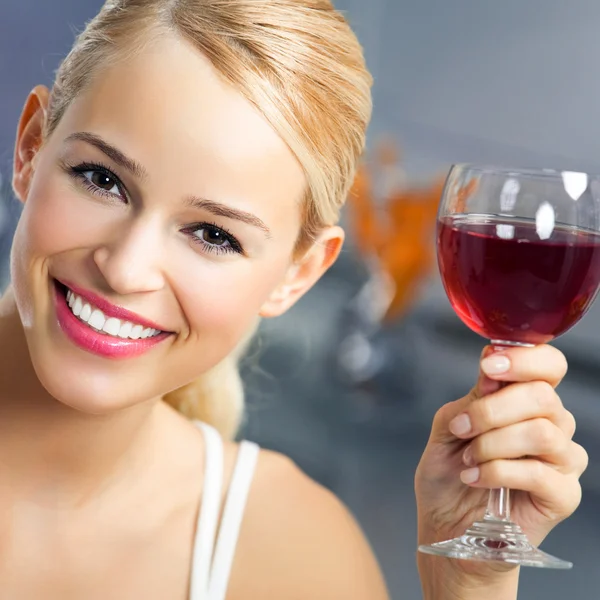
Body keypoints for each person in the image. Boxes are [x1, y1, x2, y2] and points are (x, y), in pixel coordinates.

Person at [0, 1, 587, 598]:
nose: (125, 269)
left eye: (213, 235)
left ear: (298, 276)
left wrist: (468, 583)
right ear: (29, 149)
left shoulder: (295, 553)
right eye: (103, 180)